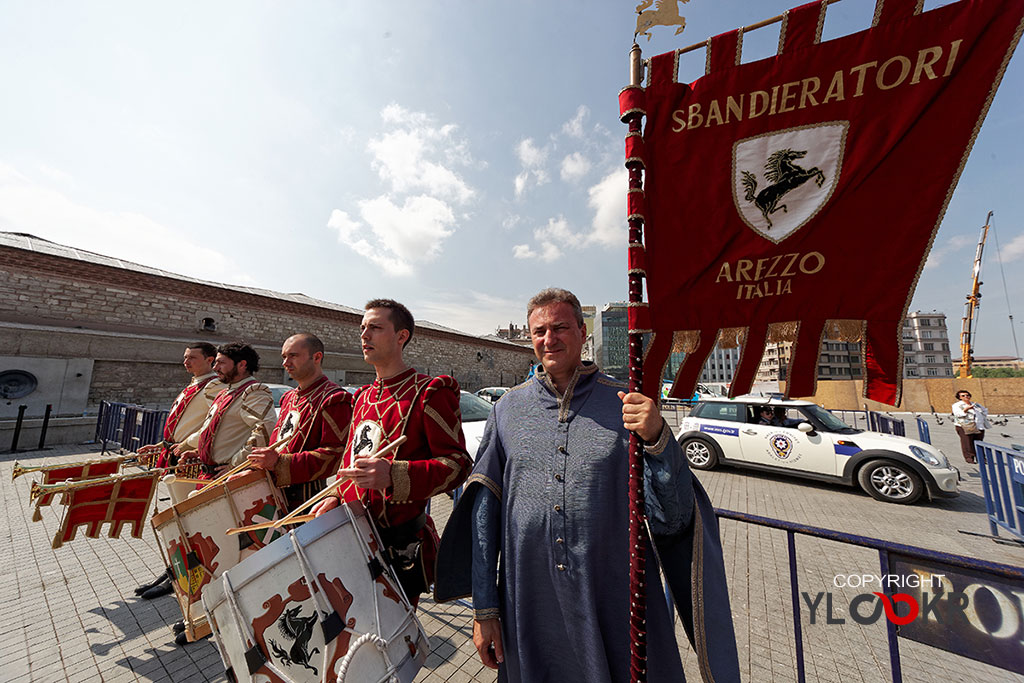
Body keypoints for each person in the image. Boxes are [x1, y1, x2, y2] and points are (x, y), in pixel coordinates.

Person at [435, 288, 739, 683]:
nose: (549, 339)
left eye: (560, 327)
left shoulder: (625, 405)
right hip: (529, 595)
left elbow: (673, 512)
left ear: (581, 331)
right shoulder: (506, 409)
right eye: (539, 331)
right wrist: (485, 610)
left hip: (612, 592)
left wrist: (659, 439)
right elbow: (483, 514)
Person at [312, 299, 471, 607]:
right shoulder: (362, 396)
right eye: (362, 328)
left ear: (402, 337)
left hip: (399, 548)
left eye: (375, 328)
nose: (364, 335)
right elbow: (351, 459)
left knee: (395, 647)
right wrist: (336, 496)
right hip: (353, 537)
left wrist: (395, 475)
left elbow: (458, 466)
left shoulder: (430, 392)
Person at [133, 342, 223, 600]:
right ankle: (174, 569)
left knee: (186, 520)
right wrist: (164, 445)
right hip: (175, 455)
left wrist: (185, 445)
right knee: (177, 518)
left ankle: (185, 574)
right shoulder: (194, 385)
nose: (186, 362)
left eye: (192, 358)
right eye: (185, 357)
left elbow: (211, 424)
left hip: (189, 461)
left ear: (210, 360)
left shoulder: (214, 386)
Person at [247, 333, 353, 511]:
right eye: (284, 357)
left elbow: (336, 456)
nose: (285, 363)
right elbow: (278, 445)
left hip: (307, 500)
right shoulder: (289, 397)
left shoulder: (335, 398)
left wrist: (279, 463)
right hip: (274, 496)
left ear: (317, 357)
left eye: (293, 356)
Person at [177, 342, 277, 476]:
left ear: (242, 365)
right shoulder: (225, 392)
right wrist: (199, 452)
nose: (215, 367)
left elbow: (265, 429)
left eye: (221, 363)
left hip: (227, 476)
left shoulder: (254, 392)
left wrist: (236, 465)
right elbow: (220, 433)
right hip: (208, 474)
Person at [952, 389, 990, 464]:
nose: (966, 397)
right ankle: (969, 457)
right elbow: (957, 414)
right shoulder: (957, 405)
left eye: (967, 395)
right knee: (967, 442)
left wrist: (983, 414)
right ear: (959, 397)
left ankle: (981, 457)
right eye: (963, 396)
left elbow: (985, 410)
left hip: (978, 425)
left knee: (979, 442)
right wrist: (966, 410)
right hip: (964, 426)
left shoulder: (976, 404)